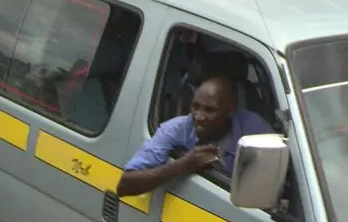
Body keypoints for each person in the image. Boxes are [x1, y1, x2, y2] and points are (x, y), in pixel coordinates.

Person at [115, 75, 272, 198]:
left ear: (231, 110)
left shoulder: (253, 126)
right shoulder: (176, 129)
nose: (198, 116)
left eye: (209, 110)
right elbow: (125, 185)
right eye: (195, 107)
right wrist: (183, 165)